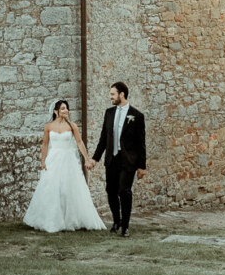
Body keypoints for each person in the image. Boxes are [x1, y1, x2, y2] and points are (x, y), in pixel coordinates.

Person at [23, 100, 107, 233]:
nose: (66, 111)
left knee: (69, 189)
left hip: (68, 160)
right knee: (52, 188)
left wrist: (86, 159)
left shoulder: (72, 125)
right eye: (63, 109)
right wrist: (43, 160)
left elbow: (79, 142)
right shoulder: (49, 126)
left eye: (67, 108)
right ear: (56, 111)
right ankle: (51, 219)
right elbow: (45, 144)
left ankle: (71, 220)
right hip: (54, 160)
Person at [91, 82, 146, 237]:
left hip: (128, 160)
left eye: (112, 94)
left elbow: (141, 143)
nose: (110, 97)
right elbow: (103, 138)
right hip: (112, 159)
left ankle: (125, 227)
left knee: (124, 190)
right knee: (111, 191)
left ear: (122, 94)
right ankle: (117, 221)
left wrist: (142, 166)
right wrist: (95, 158)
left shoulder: (137, 115)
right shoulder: (109, 113)